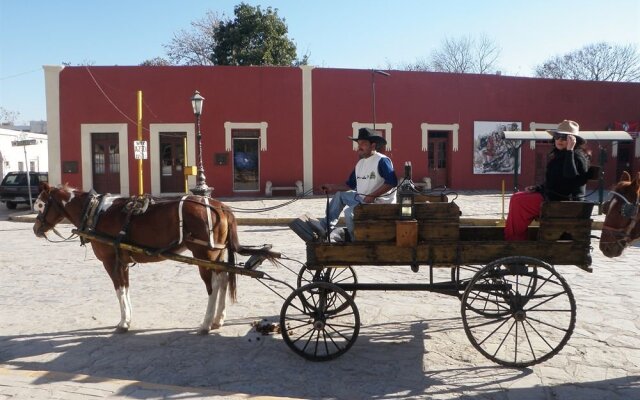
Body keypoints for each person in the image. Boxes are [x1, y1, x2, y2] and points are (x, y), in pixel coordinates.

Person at [504, 120, 590, 241]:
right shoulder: (560, 155)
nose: (559, 140)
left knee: (519, 202)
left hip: (564, 202)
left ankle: (514, 240)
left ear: (573, 140)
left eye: (565, 137)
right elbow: (554, 181)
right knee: (516, 196)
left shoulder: (576, 156)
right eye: (557, 136)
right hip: (554, 197)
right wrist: (538, 188)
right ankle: (515, 237)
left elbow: (570, 177)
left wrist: (570, 150)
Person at [311, 127, 398, 241]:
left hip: (379, 203)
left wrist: (373, 196)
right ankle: (326, 226)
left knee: (349, 213)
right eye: (359, 143)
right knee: (339, 196)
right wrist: (331, 187)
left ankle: (355, 241)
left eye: (363, 143)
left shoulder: (382, 160)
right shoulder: (360, 163)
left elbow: (392, 182)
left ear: (373, 145)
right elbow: (349, 185)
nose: (359, 146)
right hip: (362, 199)